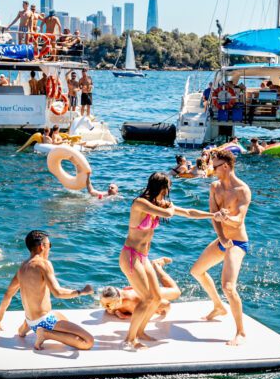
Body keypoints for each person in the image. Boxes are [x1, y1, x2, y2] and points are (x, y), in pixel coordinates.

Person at [119, 172, 221, 349]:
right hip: (130, 256)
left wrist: (214, 215)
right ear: (162, 187)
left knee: (156, 297)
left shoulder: (162, 204)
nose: (169, 190)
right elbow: (168, 213)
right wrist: (170, 208)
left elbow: (189, 212)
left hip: (143, 257)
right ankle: (130, 339)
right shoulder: (140, 203)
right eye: (168, 187)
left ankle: (140, 331)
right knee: (147, 298)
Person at [0, 230, 94, 350]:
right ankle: (46, 334)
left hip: (30, 320)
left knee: (62, 317)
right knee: (88, 342)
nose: (50, 248)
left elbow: (8, 295)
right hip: (44, 321)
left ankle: (26, 327)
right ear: (42, 246)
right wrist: (82, 291)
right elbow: (58, 293)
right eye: (50, 245)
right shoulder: (43, 264)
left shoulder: (22, 267)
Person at [190, 149, 252, 346]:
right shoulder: (214, 186)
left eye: (214, 166)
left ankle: (240, 333)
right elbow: (213, 216)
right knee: (197, 271)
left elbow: (238, 220)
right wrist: (221, 236)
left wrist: (227, 217)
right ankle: (218, 306)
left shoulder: (242, 190)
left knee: (228, 287)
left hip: (238, 243)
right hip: (223, 239)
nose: (211, 169)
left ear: (225, 166)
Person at [100, 257, 180, 319]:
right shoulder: (114, 300)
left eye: (107, 305)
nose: (105, 308)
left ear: (118, 301)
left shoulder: (134, 302)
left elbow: (166, 304)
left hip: (150, 293)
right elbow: (123, 290)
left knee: (176, 292)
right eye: (102, 304)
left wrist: (160, 312)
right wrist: (116, 312)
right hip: (137, 289)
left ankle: (156, 265)